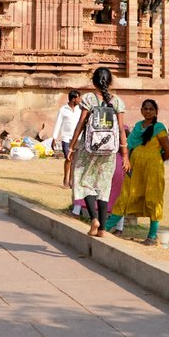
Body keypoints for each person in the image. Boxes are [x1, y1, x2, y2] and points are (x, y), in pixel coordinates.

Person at [63, 67, 126, 237]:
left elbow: (81, 124)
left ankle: (94, 219)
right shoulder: (118, 102)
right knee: (103, 186)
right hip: (109, 150)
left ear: (93, 81)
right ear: (111, 81)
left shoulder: (89, 99)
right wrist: (125, 154)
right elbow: (120, 129)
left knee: (83, 181)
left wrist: (71, 146)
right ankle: (103, 229)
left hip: (88, 149)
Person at [106, 97, 169, 244]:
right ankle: (106, 227)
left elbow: (168, 151)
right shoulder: (137, 127)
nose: (148, 111)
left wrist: (155, 160)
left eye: (151, 109)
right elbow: (130, 146)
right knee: (126, 195)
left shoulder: (159, 128)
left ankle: (152, 236)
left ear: (156, 112)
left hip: (153, 169)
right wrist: (127, 162)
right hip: (135, 167)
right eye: (145, 108)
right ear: (141, 111)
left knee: (153, 199)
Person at [53, 90, 82, 158]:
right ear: (73, 99)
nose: (80, 100)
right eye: (78, 98)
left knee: (76, 161)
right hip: (66, 139)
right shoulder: (63, 109)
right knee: (68, 159)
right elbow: (58, 123)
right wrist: (54, 138)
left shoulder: (80, 109)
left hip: (78, 139)